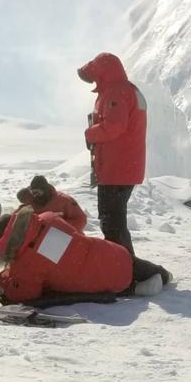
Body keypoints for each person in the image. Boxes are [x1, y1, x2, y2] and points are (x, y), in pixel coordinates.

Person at [0, 205, 171, 304]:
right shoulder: (48, 218)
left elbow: (24, 293)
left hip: (101, 281)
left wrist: (3, 277)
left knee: (104, 281)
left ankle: (134, 289)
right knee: (127, 264)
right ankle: (162, 274)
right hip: (112, 253)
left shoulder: (26, 262)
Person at [78, 52, 147, 254]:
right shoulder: (126, 89)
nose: (93, 81)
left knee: (112, 223)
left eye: (94, 75)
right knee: (114, 221)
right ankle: (126, 268)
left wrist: (90, 134)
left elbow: (115, 126)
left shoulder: (116, 92)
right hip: (122, 168)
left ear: (102, 72)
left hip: (117, 168)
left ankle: (126, 272)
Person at [15, 175, 88, 232]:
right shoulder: (31, 201)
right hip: (39, 238)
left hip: (63, 237)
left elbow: (81, 219)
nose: (35, 196)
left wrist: (62, 228)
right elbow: (17, 217)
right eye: (33, 193)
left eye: (38, 192)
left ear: (45, 191)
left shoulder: (64, 200)